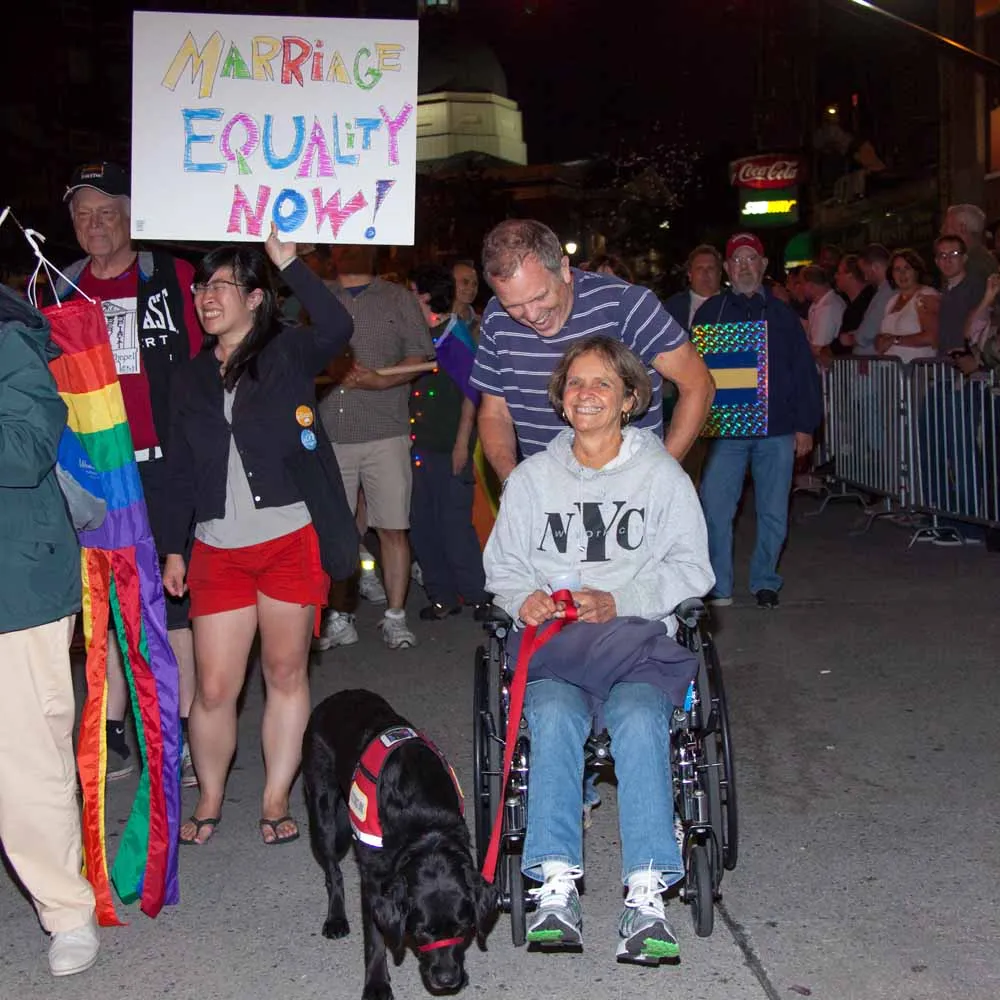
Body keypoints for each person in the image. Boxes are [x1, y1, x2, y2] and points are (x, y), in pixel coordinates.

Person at [483, 335, 714, 963]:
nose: (586, 394)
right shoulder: (531, 480)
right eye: (576, 383)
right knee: (552, 714)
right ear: (561, 399)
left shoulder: (661, 477)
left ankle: (647, 894)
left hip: (636, 643)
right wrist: (524, 599)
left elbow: (694, 570)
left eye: (602, 384)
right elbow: (503, 568)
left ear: (630, 399)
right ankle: (555, 885)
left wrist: (622, 598)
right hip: (558, 648)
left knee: (639, 716)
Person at [162, 226, 354, 846]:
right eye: (200, 287)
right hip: (217, 547)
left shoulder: (287, 353)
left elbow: (338, 327)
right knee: (215, 687)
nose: (206, 296)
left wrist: (289, 263)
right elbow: (179, 468)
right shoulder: (189, 377)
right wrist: (173, 546)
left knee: (284, 672)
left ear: (254, 298)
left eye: (221, 285)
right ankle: (211, 797)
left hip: (290, 540)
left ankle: (274, 799)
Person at [56, 161, 201, 783]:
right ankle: (114, 729)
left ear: (131, 215)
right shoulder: (58, 287)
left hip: (166, 466)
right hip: (95, 475)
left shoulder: (173, 276)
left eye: (106, 211)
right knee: (108, 606)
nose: (94, 224)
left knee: (173, 605)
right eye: (82, 214)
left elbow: (212, 361)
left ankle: (181, 732)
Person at [0, 283, 100, 977]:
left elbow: (28, 447)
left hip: (16, 586)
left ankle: (67, 911)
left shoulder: (10, 339)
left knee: (26, 763)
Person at [471, 219, 715, 482]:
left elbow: (698, 385)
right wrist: (513, 482)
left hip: (629, 489)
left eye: (540, 296)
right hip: (546, 492)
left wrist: (659, 477)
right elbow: (495, 413)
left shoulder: (626, 305)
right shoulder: (496, 317)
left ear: (564, 269)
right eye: (514, 306)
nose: (531, 315)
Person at [693, 233, 823, 609]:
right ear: (727, 269)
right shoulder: (710, 313)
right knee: (716, 509)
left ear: (764, 266)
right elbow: (694, 373)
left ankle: (766, 579)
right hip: (726, 432)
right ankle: (718, 585)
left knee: (774, 511)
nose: (745, 266)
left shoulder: (783, 317)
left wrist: (805, 426)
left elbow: (804, 373)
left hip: (777, 429)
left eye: (752, 259)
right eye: (737, 260)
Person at [316, 245, 435, 651]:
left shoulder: (398, 298)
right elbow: (300, 353)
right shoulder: (319, 296)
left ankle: (395, 617)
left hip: (386, 430)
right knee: (338, 532)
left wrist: (382, 380)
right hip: (332, 432)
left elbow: (420, 355)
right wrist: (331, 367)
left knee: (393, 528)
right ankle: (340, 615)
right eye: (343, 242)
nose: (351, 248)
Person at [407, 264, 490, 619]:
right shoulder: (420, 335)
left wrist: (462, 444)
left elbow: (473, 393)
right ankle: (442, 596)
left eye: (411, 293)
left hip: (448, 446)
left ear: (425, 296)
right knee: (423, 525)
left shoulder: (453, 337)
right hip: (419, 446)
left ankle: (478, 596)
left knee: (454, 525)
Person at [874, 249, 939, 362]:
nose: (902, 274)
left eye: (907, 268)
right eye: (897, 269)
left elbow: (932, 337)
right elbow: (883, 335)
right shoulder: (892, 301)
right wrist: (879, 340)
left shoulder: (926, 296)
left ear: (916, 271)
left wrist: (895, 340)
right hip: (890, 368)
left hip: (916, 367)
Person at [934, 235, 984, 358]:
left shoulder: (976, 287)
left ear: (964, 258)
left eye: (954, 254)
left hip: (966, 362)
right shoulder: (944, 291)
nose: (947, 260)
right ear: (936, 261)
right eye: (942, 255)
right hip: (946, 362)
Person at [664, 244, 723, 329]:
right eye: (699, 269)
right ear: (690, 274)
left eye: (710, 268)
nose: (705, 273)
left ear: (719, 274)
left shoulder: (734, 305)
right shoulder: (672, 307)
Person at [940, 204, 998, 286]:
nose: (942, 230)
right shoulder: (978, 258)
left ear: (962, 228)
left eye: (946, 226)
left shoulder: (974, 265)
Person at [854, 243, 894, 356]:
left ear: (875, 267)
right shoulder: (883, 291)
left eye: (865, 272)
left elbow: (867, 332)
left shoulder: (886, 293)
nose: (865, 277)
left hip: (875, 359)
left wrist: (854, 337)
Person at [832, 254, 875, 355]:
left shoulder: (867, 303)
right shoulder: (854, 305)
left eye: (839, 273)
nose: (835, 276)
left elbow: (846, 343)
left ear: (851, 275)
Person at [801, 265, 845, 360]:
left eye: (802, 284)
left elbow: (819, 349)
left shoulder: (827, 308)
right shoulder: (817, 305)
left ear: (810, 285)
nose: (801, 288)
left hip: (827, 367)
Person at [451, 258, 481, 340]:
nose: (471, 288)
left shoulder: (481, 322)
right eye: (465, 282)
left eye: (475, 284)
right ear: (450, 282)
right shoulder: (437, 321)